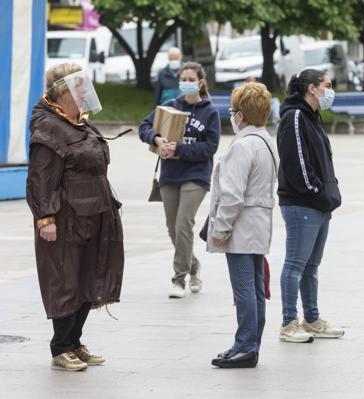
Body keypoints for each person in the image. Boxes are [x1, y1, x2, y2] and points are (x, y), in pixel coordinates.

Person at [26, 63, 125, 371]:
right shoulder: (49, 127)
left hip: (95, 213)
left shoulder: (79, 122)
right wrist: (46, 219)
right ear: (62, 92)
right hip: (67, 217)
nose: (84, 92)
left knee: (87, 277)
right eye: (78, 87)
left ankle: (75, 341)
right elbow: (41, 178)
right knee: (65, 279)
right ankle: (61, 347)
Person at [206, 82, 278, 368]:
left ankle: (246, 345)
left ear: (241, 115)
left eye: (233, 110)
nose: (232, 115)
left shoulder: (242, 146)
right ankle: (249, 343)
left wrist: (221, 229)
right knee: (256, 287)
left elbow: (233, 195)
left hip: (241, 224)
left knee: (244, 288)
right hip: (260, 221)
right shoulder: (266, 140)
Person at [139, 62, 221, 298]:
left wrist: (180, 149)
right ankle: (194, 266)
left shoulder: (210, 112)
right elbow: (143, 126)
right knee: (172, 229)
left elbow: (210, 147)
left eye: (190, 79)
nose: (185, 83)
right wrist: (156, 140)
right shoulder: (170, 106)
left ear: (200, 83)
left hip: (196, 175)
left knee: (184, 224)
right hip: (170, 175)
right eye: (182, 79)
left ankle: (179, 279)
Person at [276, 69, 344, 343]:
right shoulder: (295, 116)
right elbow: (297, 163)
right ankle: (289, 322)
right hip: (302, 203)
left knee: (311, 265)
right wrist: (317, 191)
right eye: (327, 85)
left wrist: (329, 193)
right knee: (295, 264)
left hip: (319, 203)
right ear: (311, 88)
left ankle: (312, 319)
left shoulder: (312, 116)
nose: (331, 91)